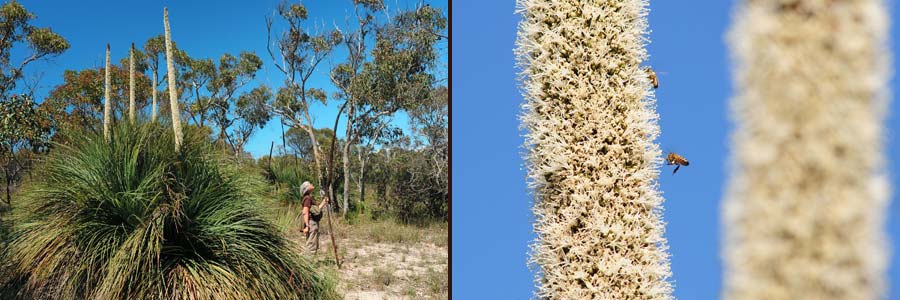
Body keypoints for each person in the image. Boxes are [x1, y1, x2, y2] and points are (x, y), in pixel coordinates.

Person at [299, 181, 328, 254]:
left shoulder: (309, 198)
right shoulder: (307, 198)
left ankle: (307, 262)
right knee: (311, 246)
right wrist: (307, 226)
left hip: (313, 223)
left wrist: (324, 202)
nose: (312, 184)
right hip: (311, 223)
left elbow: (316, 210)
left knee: (312, 243)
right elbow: (305, 212)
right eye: (310, 184)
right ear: (307, 188)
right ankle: (307, 262)